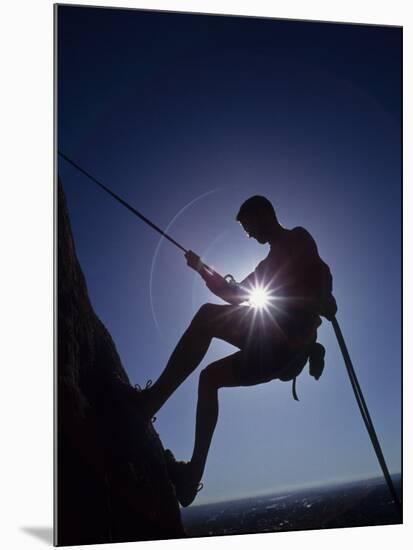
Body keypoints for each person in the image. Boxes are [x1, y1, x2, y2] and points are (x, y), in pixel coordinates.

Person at [138, 195, 336, 506]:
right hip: (276, 348)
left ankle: (151, 402)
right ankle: (191, 476)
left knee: (206, 318)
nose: (250, 235)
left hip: (281, 346)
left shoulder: (297, 237)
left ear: (262, 215)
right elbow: (234, 294)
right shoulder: (268, 264)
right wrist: (202, 268)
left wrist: (323, 297)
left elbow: (316, 272)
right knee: (209, 378)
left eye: (248, 227)